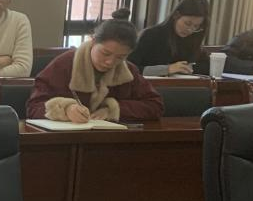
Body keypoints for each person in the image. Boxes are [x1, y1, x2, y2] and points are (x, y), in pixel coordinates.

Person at [27, 19, 162, 123]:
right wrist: (66, 109)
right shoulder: (64, 64)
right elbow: (34, 106)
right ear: (92, 41)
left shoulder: (128, 71)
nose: (110, 62)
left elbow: (155, 105)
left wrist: (112, 110)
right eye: (105, 53)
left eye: (120, 57)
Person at [128, 0, 210, 77]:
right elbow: (130, 69)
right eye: (187, 23)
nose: (190, 30)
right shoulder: (151, 35)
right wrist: (167, 69)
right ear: (176, 15)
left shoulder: (192, 38)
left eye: (196, 26)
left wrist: (188, 68)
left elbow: (206, 66)